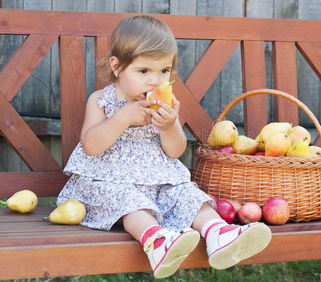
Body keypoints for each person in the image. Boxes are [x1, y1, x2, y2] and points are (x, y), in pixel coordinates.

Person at [57, 15, 272, 279]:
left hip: (159, 183)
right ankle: (157, 242)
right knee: (131, 202)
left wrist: (170, 126)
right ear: (117, 66)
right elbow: (91, 146)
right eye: (144, 71)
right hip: (111, 184)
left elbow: (175, 151)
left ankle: (218, 233)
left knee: (187, 194)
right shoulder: (102, 100)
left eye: (164, 71)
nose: (154, 81)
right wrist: (123, 117)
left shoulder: (165, 105)